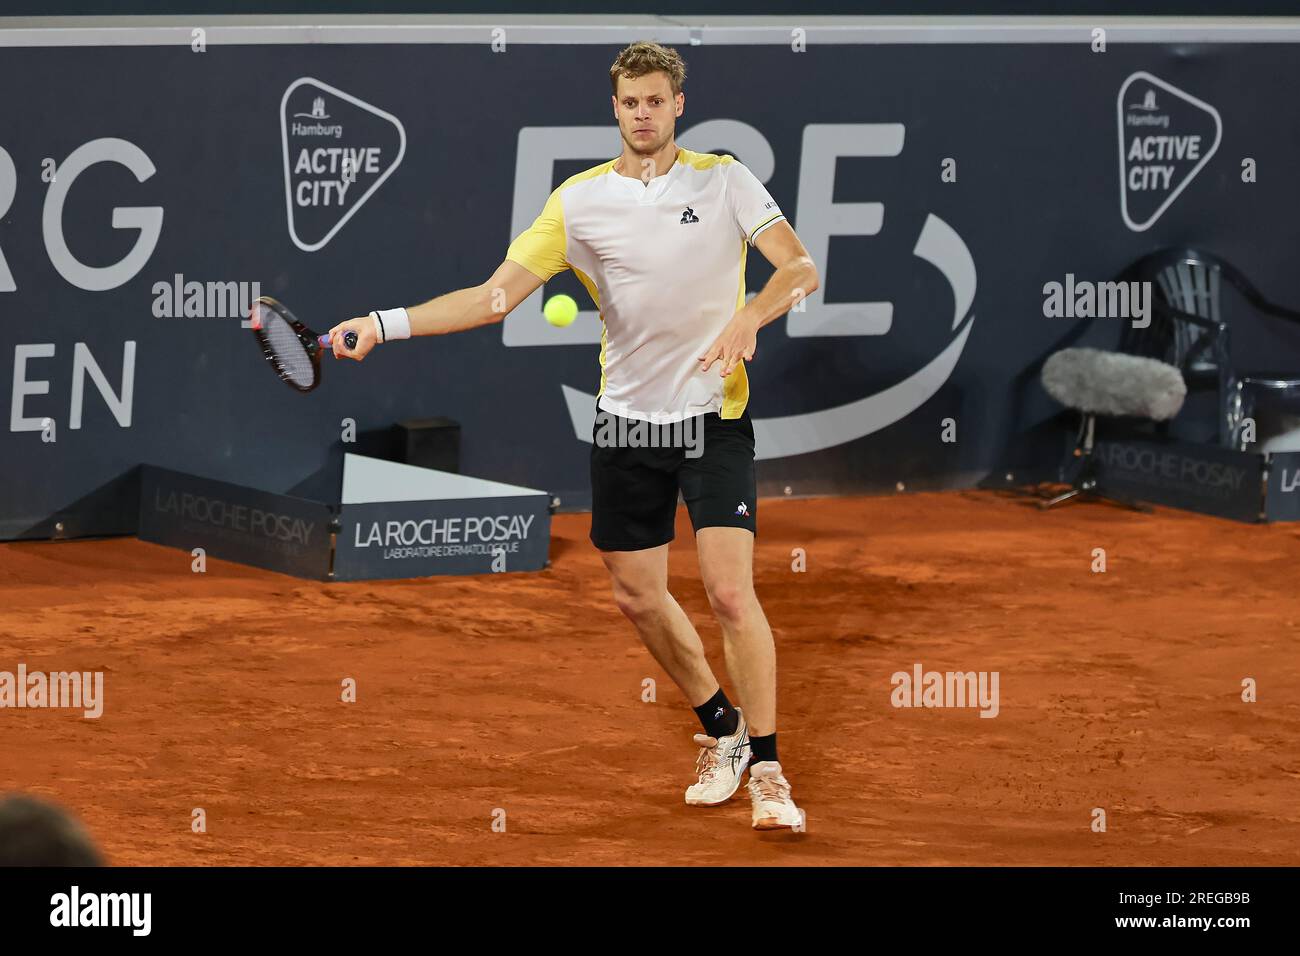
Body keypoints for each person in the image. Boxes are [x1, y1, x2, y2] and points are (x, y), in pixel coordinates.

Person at [329, 40, 818, 830]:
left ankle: (768, 769)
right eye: (630, 102)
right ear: (615, 107)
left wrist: (749, 315)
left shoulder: (724, 178)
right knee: (637, 594)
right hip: (624, 424)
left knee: (729, 591)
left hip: (713, 420)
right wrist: (384, 325)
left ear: (678, 106)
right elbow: (494, 299)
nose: (643, 114)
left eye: (657, 100)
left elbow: (799, 268)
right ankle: (722, 730)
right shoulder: (578, 202)